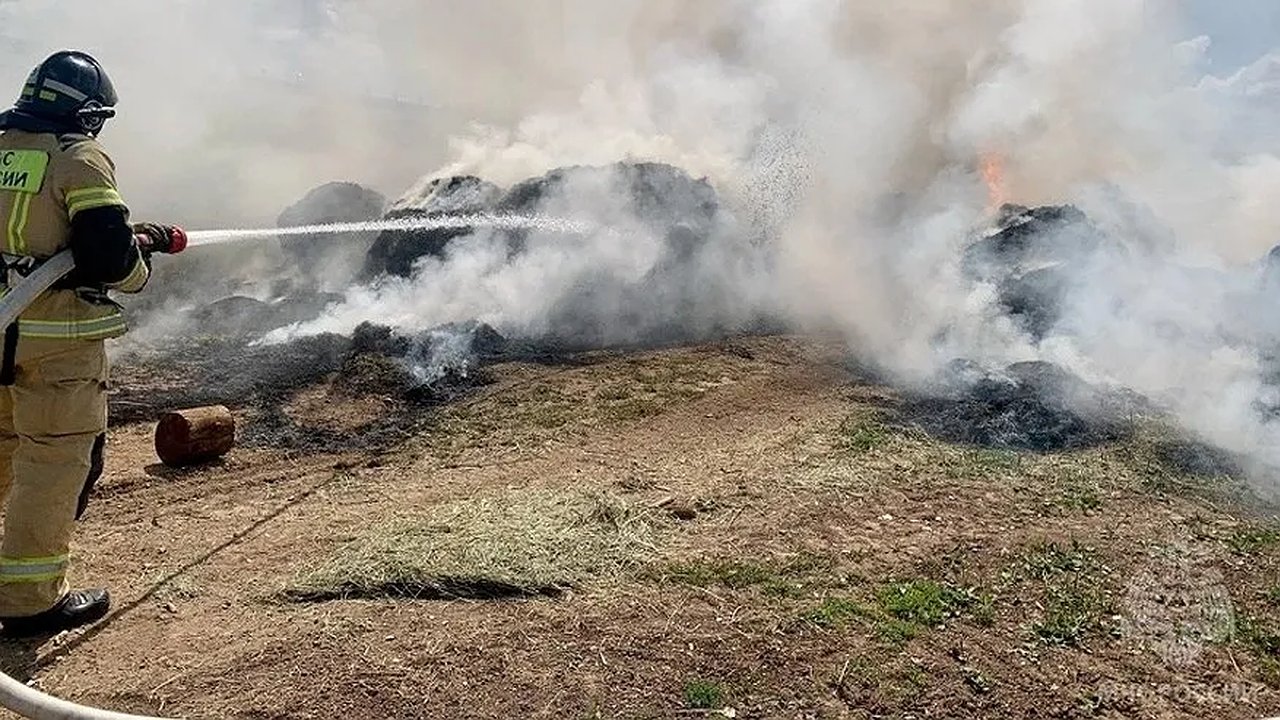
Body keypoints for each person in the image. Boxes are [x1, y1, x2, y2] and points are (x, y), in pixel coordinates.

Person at [0, 50, 182, 637]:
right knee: (52, 462)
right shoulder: (78, 157)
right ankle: (28, 601)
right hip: (53, 344)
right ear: (84, 111)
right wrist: (140, 264)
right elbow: (108, 258)